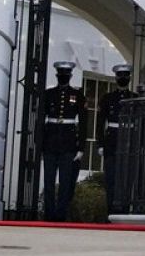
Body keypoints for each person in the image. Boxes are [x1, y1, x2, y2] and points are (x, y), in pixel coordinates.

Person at [39, 60, 85, 221]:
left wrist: (81, 147)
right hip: (50, 142)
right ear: (57, 75)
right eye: (61, 74)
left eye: (66, 74)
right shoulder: (48, 94)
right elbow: (40, 120)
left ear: (70, 76)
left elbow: (83, 122)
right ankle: (49, 214)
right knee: (49, 181)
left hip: (69, 143)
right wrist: (40, 144)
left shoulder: (78, 95)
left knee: (65, 182)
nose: (63, 77)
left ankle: (61, 215)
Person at [96, 62, 134, 213]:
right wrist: (100, 144)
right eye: (120, 75)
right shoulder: (107, 98)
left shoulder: (134, 98)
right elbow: (100, 123)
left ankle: (125, 210)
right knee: (111, 178)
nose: (123, 78)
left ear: (129, 78)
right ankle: (110, 210)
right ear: (116, 78)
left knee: (126, 179)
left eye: (125, 75)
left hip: (129, 141)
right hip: (112, 141)